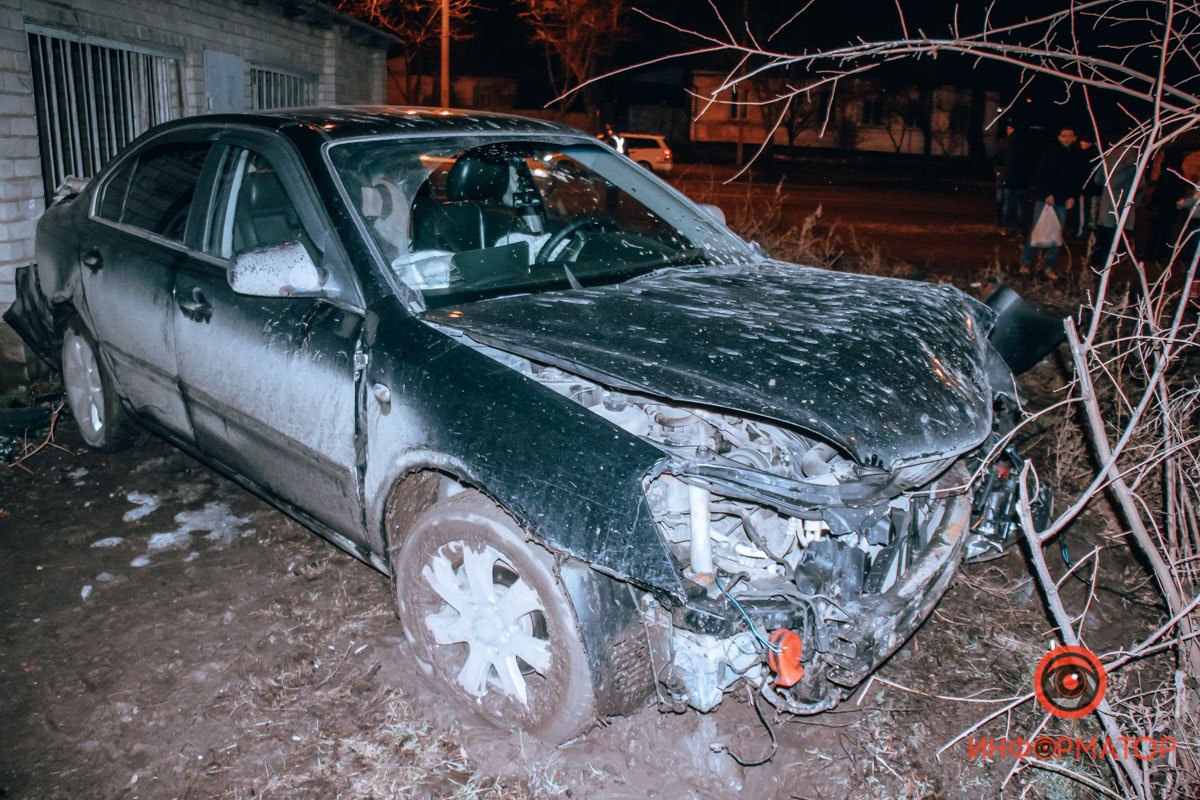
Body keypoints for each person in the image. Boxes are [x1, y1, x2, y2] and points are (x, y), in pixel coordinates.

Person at [1022, 125, 1088, 279]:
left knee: (1057, 235)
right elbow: (1040, 175)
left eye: (1069, 136)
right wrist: (1047, 193)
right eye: (1064, 135)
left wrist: (1073, 197)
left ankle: (1049, 267)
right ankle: (1026, 263)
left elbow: (1078, 180)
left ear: (1074, 138)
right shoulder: (1050, 152)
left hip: (1063, 202)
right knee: (1036, 231)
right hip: (1046, 201)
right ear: (1059, 137)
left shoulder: (1077, 156)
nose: (1066, 139)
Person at [1089, 146, 1140, 271]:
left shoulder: (1109, 156)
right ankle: (1111, 271)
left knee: (1103, 240)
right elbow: (1141, 184)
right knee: (1118, 245)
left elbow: (1098, 179)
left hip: (1108, 206)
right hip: (1125, 209)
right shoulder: (1137, 159)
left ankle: (1095, 269)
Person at [994, 123, 1030, 233]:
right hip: (1020, 180)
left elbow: (998, 159)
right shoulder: (1025, 145)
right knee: (1020, 205)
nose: (1007, 131)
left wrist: (999, 171)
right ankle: (1021, 228)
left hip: (1008, 179)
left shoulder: (1004, 143)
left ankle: (1005, 226)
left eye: (1009, 129)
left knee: (1006, 204)